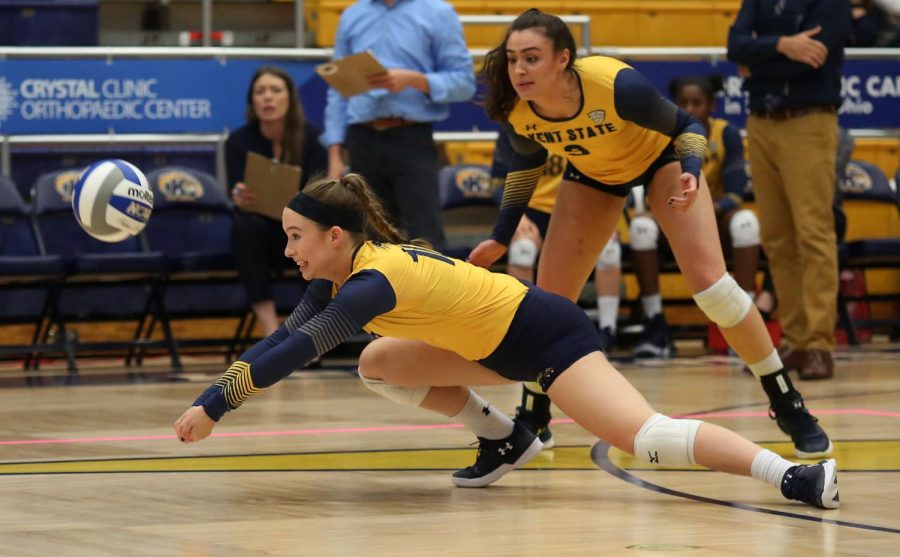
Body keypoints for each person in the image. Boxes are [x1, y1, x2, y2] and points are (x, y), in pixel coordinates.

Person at [174, 174, 840, 511]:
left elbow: (294, 353)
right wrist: (215, 396)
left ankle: (793, 475)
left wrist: (214, 404)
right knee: (378, 364)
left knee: (650, 438)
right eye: (286, 236)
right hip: (487, 345)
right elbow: (281, 340)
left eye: (296, 237)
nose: (288, 250)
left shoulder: (369, 284)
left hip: (545, 334)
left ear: (335, 237)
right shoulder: (338, 276)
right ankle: (507, 436)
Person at [466, 9, 832, 458]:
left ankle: (786, 401)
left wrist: (693, 172)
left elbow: (689, 128)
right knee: (549, 301)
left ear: (563, 59)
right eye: (512, 59)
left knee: (713, 288)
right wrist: (502, 235)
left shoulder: (614, 84)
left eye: (531, 58)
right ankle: (534, 415)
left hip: (663, 161)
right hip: (596, 174)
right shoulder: (517, 106)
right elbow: (525, 166)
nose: (519, 70)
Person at [728, 0, 851, 380]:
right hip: (761, 121)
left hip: (808, 120)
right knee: (778, 237)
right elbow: (735, 46)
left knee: (813, 232)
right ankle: (796, 342)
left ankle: (819, 344)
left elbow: (813, 56)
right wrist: (783, 45)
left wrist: (759, 58)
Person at [492, 128, 623, 447]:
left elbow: (617, 174)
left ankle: (608, 328)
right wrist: (516, 215)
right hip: (534, 211)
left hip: (581, 206)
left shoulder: (589, 119)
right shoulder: (518, 122)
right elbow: (499, 181)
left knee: (609, 250)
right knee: (524, 252)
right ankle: (519, 341)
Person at [322, 0, 476, 249]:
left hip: (412, 137)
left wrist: (416, 80)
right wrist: (334, 152)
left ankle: (433, 288)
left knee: (425, 236)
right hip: (361, 139)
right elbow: (338, 90)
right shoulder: (352, 15)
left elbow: (465, 82)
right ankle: (374, 289)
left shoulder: (438, 12)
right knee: (367, 239)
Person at [626, 75, 762, 359]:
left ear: (711, 105)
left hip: (715, 221)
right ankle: (654, 322)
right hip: (671, 218)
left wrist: (707, 210)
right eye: (683, 102)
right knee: (640, 227)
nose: (690, 108)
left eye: (697, 102)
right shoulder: (661, 134)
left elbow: (737, 193)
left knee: (747, 222)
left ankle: (746, 317)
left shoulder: (726, 134)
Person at [227, 66, 328, 336]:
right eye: (260, 92)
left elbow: (322, 191)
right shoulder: (237, 141)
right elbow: (234, 191)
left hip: (301, 228)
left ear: (290, 98)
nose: (267, 98)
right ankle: (272, 333)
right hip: (262, 230)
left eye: (275, 90)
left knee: (318, 232)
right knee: (244, 227)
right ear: (252, 101)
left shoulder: (313, 138)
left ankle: (310, 334)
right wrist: (238, 196)